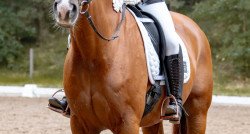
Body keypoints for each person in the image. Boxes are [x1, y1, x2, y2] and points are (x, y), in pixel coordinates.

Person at [49, 0, 183, 123]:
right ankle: (70, 97)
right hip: (115, 2)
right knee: (79, 34)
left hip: (149, 2)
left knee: (171, 41)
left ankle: (174, 99)